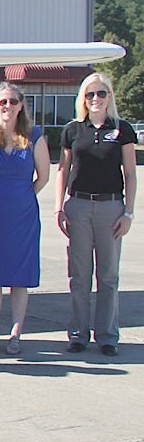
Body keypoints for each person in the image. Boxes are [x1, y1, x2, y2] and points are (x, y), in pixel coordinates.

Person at [55, 72, 137, 356]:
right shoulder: (73, 130)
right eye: (90, 94)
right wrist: (59, 207)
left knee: (108, 275)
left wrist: (128, 213)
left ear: (109, 97)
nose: (96, 99)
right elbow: (63, 170)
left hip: (111, 207)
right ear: (83, 99)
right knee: (79, 275)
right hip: (78, 206)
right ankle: (78, 334)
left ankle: (107, 336)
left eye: (101, 94)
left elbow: (130, 173)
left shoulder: (122, 129)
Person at [0, 82, 50, 355]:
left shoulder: (34, 135)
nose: (7, 106)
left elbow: (44, 175)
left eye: (12, 101)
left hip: (23, 213)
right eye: (2, 102)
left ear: (21, 105)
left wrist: (25, 194)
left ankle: (15, 333)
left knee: (19, 275)